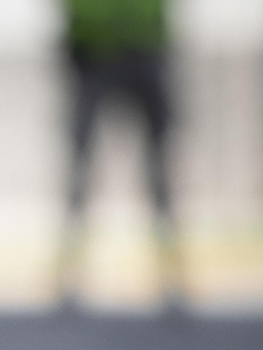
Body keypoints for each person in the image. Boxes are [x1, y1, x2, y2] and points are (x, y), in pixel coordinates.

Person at [54, 0, 186, 311]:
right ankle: (70, 279)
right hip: (93, 49)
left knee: (160, 177)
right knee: (81, 174)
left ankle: (172, 279)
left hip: (144, 47)